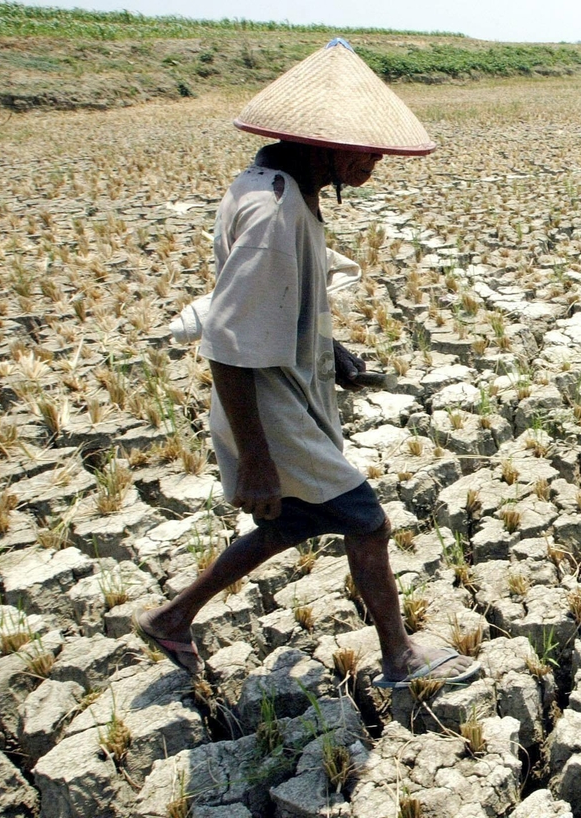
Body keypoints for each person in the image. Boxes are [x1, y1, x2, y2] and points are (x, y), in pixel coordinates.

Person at [134, 39, 478, 689]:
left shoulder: (277, 180)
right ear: (321, 141)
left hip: (286, 392)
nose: (376, 159)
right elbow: (227, 341)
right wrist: (258, 458)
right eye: (367, 147)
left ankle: (172, 618)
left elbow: (277, 300)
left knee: (296, 519)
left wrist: (332, 353)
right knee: (364, 519)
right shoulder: (274, 212)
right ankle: (399, 656)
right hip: (269, 405)